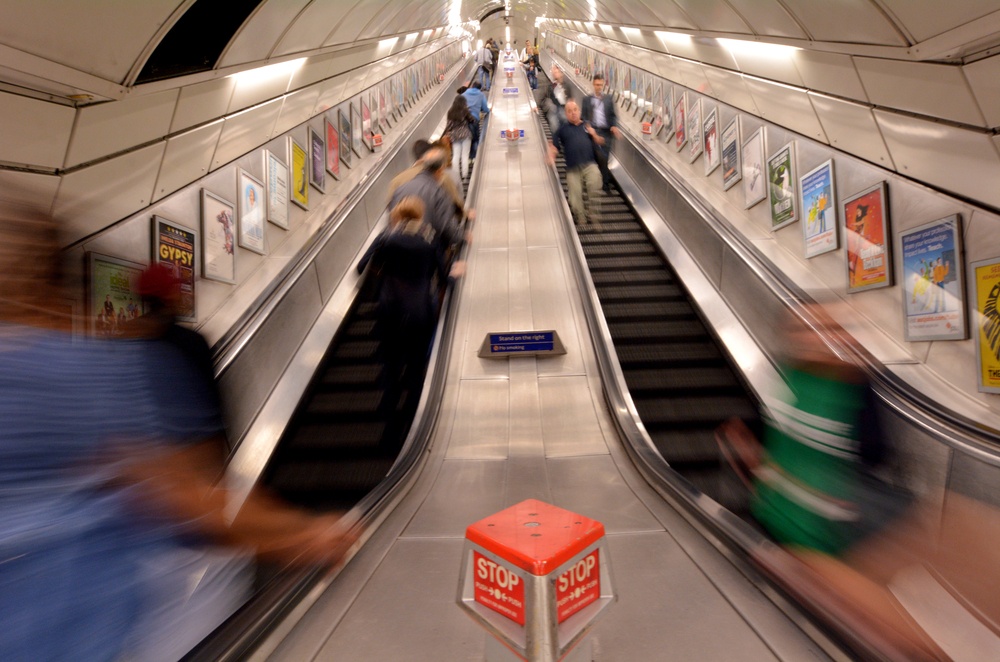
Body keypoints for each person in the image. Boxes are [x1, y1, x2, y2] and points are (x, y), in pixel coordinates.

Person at [0, 215, 354, 661]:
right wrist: (301, 531)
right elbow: (182, 500)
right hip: (91, 633)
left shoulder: (107, 353)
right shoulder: (86, 369)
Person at [716, 304, 1000, 659]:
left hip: (831, 527)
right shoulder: (796, 378)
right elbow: (777, 429)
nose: (824, 338)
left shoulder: (844, 383)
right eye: (813, 329)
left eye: (834, 329)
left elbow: (874, 453)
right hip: (784, 516)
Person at [357, 196, 465, 413]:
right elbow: (444, 278)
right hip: (420, 310)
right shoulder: (430, 238)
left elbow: (361, 267)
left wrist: (384, 271)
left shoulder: (386, 238)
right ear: (420, 213)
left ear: (397, 214)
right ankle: (413, 416)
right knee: (416, 365)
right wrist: (456, 274)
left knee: (389, 364)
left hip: (388, 309)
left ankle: (390, 415)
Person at [388, 148, 468, 254]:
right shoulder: (438, 192)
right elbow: (447, 227)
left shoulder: (400, 189)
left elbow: (391, 218)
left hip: (398, 251)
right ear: (441, 169)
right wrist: (461, 236)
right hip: (427, 254)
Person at [547, 99, 605, 226]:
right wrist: (551, 156)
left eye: (575, 110)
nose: (573, 113)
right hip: (572, 168)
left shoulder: (587, 126)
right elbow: (554, 146)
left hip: (590, 164)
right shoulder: (562, 129)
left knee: (595, 183)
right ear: (566, 114)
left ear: (579, 111)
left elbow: (601, 141)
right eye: (569, 111)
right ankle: (581, 217)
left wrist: (594, 135)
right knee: (574, 195)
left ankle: (594, 214)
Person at [580, 73, 621, 192]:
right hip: (591, 132)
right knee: (592, 157)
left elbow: (613, 116)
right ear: (593, 84)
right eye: (597, 85)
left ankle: (605, 183)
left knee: (604, 157)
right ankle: (591, 181)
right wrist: (588, 126)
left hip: (605, 132)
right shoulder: (587, 100)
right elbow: (583, 117)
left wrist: (614, 126)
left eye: (601, 85)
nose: (599, 87)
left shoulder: (609, 99)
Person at [445, 94, 475, 181]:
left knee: (455, 156)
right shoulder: (464, 110)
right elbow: (472, 120)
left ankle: (456, 177)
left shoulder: (450, 112)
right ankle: (465, 175)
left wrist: (449, 134)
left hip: (454, 136)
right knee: (465, 156)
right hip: (465, 134)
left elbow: (448, 126)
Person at [462, 82, 490, 161]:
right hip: (474, 119)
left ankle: (466, 157)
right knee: (475, 138)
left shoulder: (464, 94)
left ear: (472, 86)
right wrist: (488, 110)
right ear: (480, 88)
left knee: (466, 138)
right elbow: (485, 108)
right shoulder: (481, 95)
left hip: (464, 119)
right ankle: (473, 157)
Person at [543, 65, 572, 133]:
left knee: (564, 117)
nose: (554, 74)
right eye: (553, 72)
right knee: (554, 122)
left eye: (556, 72)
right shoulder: (550, 86)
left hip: (564, 108)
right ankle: (556, 138)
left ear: (561, 74)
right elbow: (544, 98)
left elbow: (569, 99)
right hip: (554, 108)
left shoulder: (566, 86)